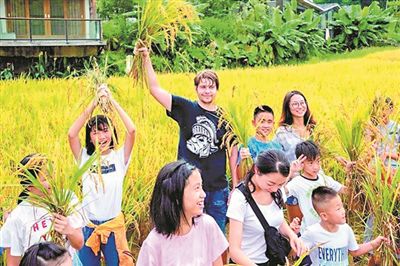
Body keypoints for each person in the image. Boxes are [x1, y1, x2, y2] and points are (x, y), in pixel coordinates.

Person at [137, 46, 238, 233]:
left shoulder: (226, 118)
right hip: (187, 188)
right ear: (196, 88)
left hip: (217, 189)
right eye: (203, 87)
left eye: (211, 87)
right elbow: (154, 89)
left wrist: (235, 186)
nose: (207, 91)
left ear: (217, 89)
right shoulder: (186, 108)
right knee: (187, 236)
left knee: (217, 239)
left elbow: (233, 153)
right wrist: (146, 58)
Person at [68, 85, 136, 265]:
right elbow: (71, 134)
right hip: (88, 227)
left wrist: (111, 101)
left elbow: (132, 131)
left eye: (105, 130)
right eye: (95, 132)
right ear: (89, 137)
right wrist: (94, 102)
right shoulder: (84, 158)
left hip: (113, 227)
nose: (101, 136)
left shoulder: (119, 157)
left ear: (112, 133)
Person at [136, 160, 228, 266]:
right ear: (176, 196)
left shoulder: (207, 225)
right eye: (196, 188)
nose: (203, 194)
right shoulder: (153, 244)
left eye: (201, 187)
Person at [0, 154, 84, 266]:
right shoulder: (17, 217)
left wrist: (69, 229)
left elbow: (79, 244)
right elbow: (13, 262)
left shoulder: (67, 200)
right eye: (46, 178)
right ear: (29, 186)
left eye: (53, 175)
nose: (53, 181)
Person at [227, 150, 307, 266]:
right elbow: (234, 251)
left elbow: (276, 219)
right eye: (270, 183)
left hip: (272, 260)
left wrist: (292, 236)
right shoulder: (240, 198)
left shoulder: (276, 192)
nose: (275, 189)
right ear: (257, 170)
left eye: (280, 184)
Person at [301, 186, 388, 265]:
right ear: (324, 216)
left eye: (342, 206)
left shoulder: (345, 229)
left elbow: (354, 251)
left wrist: (374, 243)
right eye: (338, 209)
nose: (343, 211)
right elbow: (296, 251)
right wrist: (293, 233)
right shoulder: (312, 232)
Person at [284, 140, 346, 234]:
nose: (316, 167)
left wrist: (350, 174)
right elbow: (280, 191)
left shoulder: (324, 179)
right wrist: (291, 172)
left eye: (318, 161)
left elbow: (345, 190)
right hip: (310, 233)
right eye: (310, 163)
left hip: (329, 230)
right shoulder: (297, 183)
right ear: (301, 162)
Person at [274, 90, 316, 224]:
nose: (299, 107)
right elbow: (277, 158)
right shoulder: (282, 132)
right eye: (295, 104)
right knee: (299, 224)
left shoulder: (313, 129)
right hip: (295, 183)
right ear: (288, 108)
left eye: (302, 103)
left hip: (316, 180)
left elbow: (325, 154)